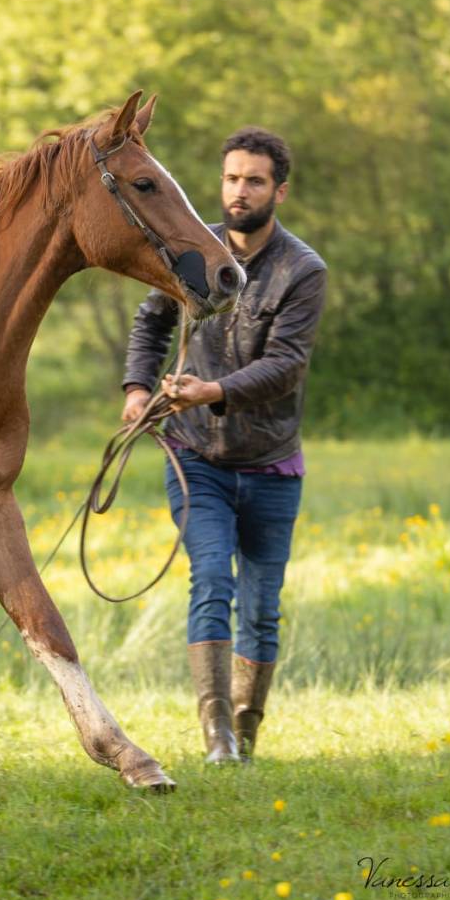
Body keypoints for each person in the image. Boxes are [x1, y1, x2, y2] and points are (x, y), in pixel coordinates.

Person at [120, 127, 327, 764]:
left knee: (263, 608)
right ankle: (216, 740)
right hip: (194, 459)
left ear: (279, 191)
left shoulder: (303, 270)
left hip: (272, 465)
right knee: (211, 580)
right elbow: (151, 322)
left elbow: (287, 365)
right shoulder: (191, 250)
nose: (240, 191)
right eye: (232, 178)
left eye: (255, 180)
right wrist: (136, 388)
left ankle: (244, 732)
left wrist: (211, 389)